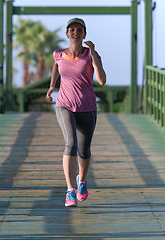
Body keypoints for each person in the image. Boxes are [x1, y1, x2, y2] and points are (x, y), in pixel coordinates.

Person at [46, 18, 106, 207]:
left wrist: (94, 53)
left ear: (84, 34)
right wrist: (51, 87)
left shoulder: (91, 55)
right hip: (64, 105)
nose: (75, 33)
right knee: (70, 144)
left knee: (84, 151)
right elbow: (56, 67)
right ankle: (70, 190)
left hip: (87, 107)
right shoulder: (58, 54)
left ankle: (82, 181)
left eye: (79, 30)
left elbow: (102, 80)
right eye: (71, 29)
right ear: (67, 33)